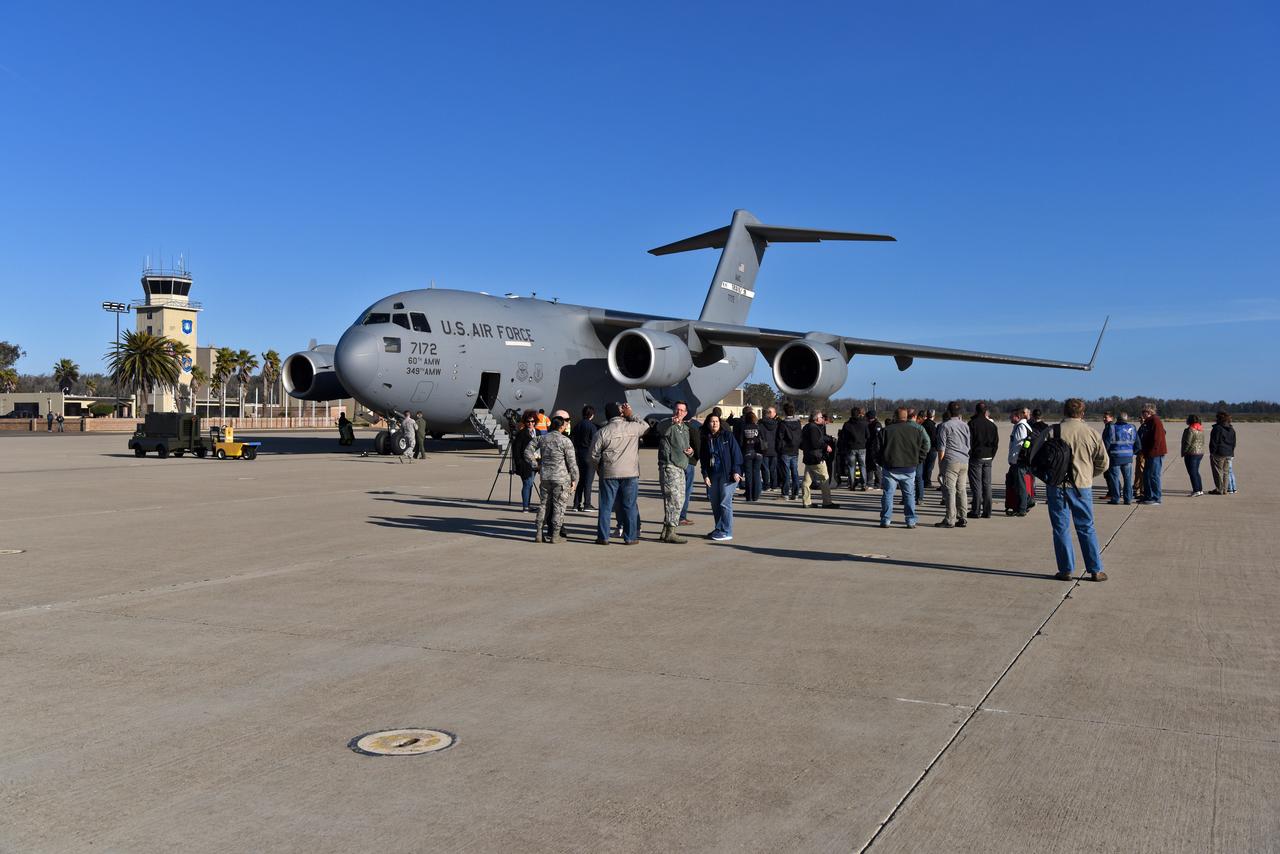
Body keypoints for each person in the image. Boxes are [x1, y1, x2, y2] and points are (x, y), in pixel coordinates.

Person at [1045, 398, 1109, 581]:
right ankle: (1095, 570)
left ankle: (1065, 570)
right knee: (1086, 527)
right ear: (1082, 413)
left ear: (1064, 412)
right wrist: (1088, 474)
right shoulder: (1091, 433)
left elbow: (1036, 457)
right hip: (1082, 486)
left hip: (1056, 486)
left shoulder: (1053, 431)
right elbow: (1103, 463)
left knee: (1060, 528)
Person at [589, 402, 648, 545]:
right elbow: (646, 426)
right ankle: (630, 537)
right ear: (621, 413)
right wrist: (631, 414)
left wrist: (598, 467)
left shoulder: (602, 432)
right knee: (630, 506)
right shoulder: (632, 427)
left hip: (609, 473)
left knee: (606, 506)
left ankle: (603, 537)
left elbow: (592, 455)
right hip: (630, 473)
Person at [526, 415, 578, 543]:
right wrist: (575, 479)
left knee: (544, 505)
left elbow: (527, 451)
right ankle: (555, 535)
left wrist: (536, 465)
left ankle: (539, 533)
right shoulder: (565, 441)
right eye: (565, 424)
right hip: (561, 478)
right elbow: (572, 463)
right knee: (559, 506)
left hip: (545, 477)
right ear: (561, 426)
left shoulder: (542, 438)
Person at [877, 407, 929, 528]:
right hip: (909, 467)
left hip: (890, 467)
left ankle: (886, 519)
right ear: (906, 417)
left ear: (895, 416)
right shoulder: (916, 430)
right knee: (909, 495)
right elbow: (925, 447)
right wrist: (918, 460)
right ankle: (910, 520)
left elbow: (877, 449)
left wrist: (882, 462)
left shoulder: (886, 431)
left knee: (888, 494)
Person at [655, 401, 695, 544]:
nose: (679, 412)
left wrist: (690, 452)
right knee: (674, 499)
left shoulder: (684, 428)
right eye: (677, 409)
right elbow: (660, 428)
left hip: (681, 467)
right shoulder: (669, 425)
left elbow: (685, 446)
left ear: (685, 413)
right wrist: (670, 421)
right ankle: (671, 531)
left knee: (680, 499)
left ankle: (666, 531)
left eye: (682, 410)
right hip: (670, 466)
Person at [699, 413, 743, 541]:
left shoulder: (727, 436)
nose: (715, 423)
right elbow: (704, 459)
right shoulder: (706, 439)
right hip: (713, 475)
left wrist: (736, 471)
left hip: (728, 475)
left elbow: (736, 454)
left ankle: (727, 531)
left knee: (725, 503)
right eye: (712, 421)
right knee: (715, 503)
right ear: (708, 424)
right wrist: (705, 475)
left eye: (717, 421)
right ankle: (719, 528)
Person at [934, 402, 971, 528]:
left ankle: (950, 519)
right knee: (961, 490)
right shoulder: (965, 425)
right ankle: (963, 517)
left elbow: (941, 448)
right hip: (964, 460)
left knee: (950, 490)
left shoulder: (945, 426)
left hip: (951, 460)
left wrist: (940, 465)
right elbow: (968, 444)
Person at [966, 402, 999, 519]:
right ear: (985, 412)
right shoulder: (992, 425)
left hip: (977, 457)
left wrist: (970, 454)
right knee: (987, 485)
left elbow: (968, 442)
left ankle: (975, 511)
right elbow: (996, 443)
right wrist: (991, 455)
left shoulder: (972, 424)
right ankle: (987, 511)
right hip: (988, 457)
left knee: (977, 485)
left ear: (976, 411)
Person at [800, 411, 838, 508]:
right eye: (821, 417)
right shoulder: (814, 428)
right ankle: (827, 502)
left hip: (808, 457)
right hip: (816, 457)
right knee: (824, 479)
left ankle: (806, 501)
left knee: (806, 481)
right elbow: (816, 443)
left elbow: (801, 442)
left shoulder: (806, 427)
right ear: (817, 419)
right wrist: (826, 446)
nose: (822, 419)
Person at [1102, 411, 1137, 504]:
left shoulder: (1112, 428)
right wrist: (1132, 452)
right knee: (1128, 479)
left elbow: (1106, 444)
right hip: (1128, 458)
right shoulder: (1132, 427)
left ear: (1117, 419)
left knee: (1114, 479)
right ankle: (1128, 499)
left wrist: (1104, 454)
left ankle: (1115, 498)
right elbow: (1137, 444)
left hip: (1115, 457)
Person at [571, 405, 599, 512]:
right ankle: (587, 504)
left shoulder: (577, 425)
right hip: (589, 454)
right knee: (588, 481)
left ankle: (576, 504)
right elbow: (595, 442)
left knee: (582, 480)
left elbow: (572, 439)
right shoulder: (592, 426)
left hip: (579, 454)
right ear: (591, 415)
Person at [1138, 404, 1167, 505]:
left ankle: (1156, 497)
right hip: (1149, 453)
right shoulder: (1148, 422)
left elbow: (1157, 439)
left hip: (1155, 454)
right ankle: (1148, 496)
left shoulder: (1156, 421)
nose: (1142, 414)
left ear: (1149, 412)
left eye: (1143, 412)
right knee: (1146, 475)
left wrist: (1151, 452)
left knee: (1154, 475)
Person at [1007, 408, 1033, 516]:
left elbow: (1018, 446)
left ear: (1017, 417)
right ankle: (1026, 502)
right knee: (1013, 483)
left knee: (1020, 485)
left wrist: (1013, 460)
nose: (1010, 418)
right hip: (1018, 461)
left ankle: (1022, 508)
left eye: (1012, 416)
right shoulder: (1023, 426)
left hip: (1019, 461)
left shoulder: (1021, 427)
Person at [511, 410, 539, 511]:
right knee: (527, 483)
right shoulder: (521, 434)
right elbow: (516, 450)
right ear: (525, 422)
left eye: (532, 421)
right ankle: (525, 506)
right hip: (525, 464)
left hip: (536, 463)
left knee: (530, 484)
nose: (530, 424)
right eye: (528, 422)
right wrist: (519, 463)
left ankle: (528, 504)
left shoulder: (538, 432)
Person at [680, 413, 702, 525]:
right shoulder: (692, 429)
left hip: (678, 463)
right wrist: (696, 458)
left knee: (677, 491)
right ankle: (681, 516)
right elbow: (698, 446)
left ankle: (674, 516)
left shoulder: (673, 428)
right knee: (686, 491)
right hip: (689, 462)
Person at [777, 403, 803, 500]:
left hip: (785, 451)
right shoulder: (798, 423)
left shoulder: (783, 424)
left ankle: (785, 494)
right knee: (795, 472)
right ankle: (795, 493)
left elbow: (780, 438)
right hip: (795, 450)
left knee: (786, 473)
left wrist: (779, 449)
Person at [840, 407, 869, 491]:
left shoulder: (847, 424)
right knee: (862, 466)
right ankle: (864, 484)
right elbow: (868, 435)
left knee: (851, 467)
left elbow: (843, 437)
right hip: (862, 447)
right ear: (859, 414)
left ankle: (852, 484)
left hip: (851, 448)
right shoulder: (864, 423)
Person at [737, 409, 764, 502]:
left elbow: (740, 442)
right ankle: (756, 496)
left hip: (747, 452)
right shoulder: (759, 427)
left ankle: (749, 496)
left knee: (748, 475)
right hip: (758, 453)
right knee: (756, 474)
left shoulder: (744, 428)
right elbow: (763, 440)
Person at [1209, 411, 1236, 495]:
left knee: (1218, 472)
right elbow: (1234, 443)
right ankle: (1224, 489)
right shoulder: (1231, 429)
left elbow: (1214, 442)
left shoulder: (1217, 428)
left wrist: (1212, 452)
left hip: (1219, 453)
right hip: (1229, 453)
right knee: (1226, 472)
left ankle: (1219, 489)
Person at [1181, 414, 1206, 497]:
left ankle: (1196, 490)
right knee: (1196, 472)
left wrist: (1184, 452)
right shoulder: (1200, 429)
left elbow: (1188, 442)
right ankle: (1200, 489)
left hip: (1191, 453)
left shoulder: (1190, 429)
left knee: (1192, 473)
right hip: (1199, 453)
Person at [758, 406, 780, 492]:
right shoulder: (777, 424)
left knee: (765, 468)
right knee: (773, 468)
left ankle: (766, 485)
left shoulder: (760, 424)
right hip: (774, 448)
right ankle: (774, 485)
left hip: (764, 448)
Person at [865, 411, 884, 489]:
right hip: (869, 447)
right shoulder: (868, 424)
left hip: (875, 448)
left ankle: (878, 484)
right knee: (869, 465)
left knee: (876, 466)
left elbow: (877, 438)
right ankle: (869, 483)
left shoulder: (877, 425)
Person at [921, 409, 938, 488]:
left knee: (924, 466)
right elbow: (934, 438)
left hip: (923, 448)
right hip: (932, 449)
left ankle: (923, 480)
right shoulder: (933, 426)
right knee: (929, 466)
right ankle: (927, 482)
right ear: (933, 416)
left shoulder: (922, 425)